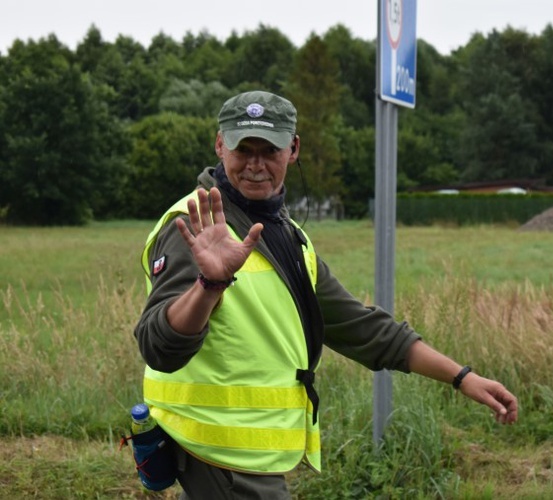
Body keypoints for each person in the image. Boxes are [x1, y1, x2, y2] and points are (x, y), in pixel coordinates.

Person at [134, 90, 518, 499]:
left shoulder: (289, 236)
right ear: (219, 145)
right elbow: (160, 347)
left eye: (270, 149)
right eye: (243, 148)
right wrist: (209, 285)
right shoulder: (195, 226)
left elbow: (363, 328)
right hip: (216, 454)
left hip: (251, 457)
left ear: (293, 149)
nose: (256, 164)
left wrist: (462, 377)